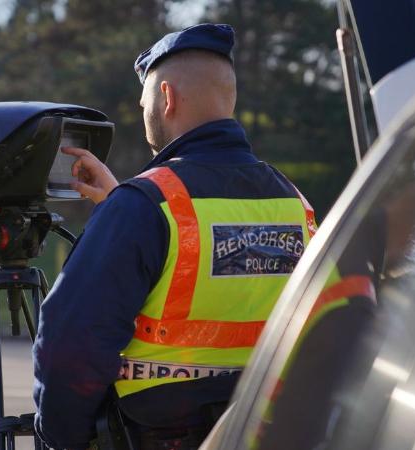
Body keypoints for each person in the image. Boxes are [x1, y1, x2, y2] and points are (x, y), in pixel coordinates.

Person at [33, 23, 317, 449]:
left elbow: (69, 347)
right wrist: (123, 203)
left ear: (165, 98)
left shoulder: (145, 208)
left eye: (144, 100)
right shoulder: (295, 203)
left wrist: (60, 439)